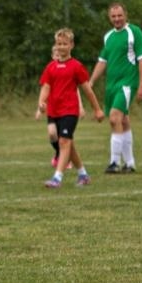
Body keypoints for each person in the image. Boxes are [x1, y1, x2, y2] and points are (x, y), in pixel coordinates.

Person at [37, 28, 102, 189]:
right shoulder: (51, 67)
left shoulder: (76, 66)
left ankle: (57, 178)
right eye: (58, 44)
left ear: (71, 45)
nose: (61, 47)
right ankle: (83, 174)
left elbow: (87, 90)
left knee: (64, 141)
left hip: (69, 111)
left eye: (65, 44)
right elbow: (45, 87)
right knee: (68, 144)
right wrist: (41, 102)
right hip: (54, 111)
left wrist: (97, 109)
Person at [88, 2, 142, 174]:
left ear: (125, 15)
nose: (117, 19)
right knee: (123, 121)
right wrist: (91, 82)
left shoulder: (134, 32)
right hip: (111, 85)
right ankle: (130, 163)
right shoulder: (108, 36)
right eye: (113, 16)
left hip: (127, 82)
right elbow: (102, 61)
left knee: (114, 118)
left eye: (119, 15)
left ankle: (114, 162)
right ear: (109, 18)